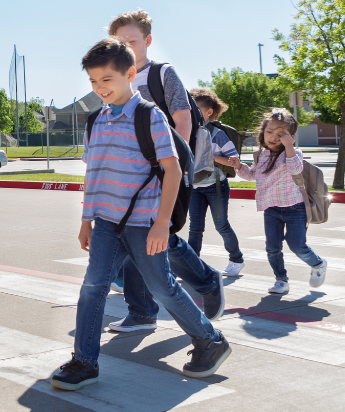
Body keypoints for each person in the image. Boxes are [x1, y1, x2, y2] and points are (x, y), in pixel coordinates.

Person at [50, 38, 230, 391]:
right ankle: (84, 361)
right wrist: (86, 220)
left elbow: (174, 170)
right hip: (105, 223)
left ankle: (210, 340)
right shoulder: (94, 121)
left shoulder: (148, 115)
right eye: (93, 81)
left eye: (107, 79)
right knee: (92, 287)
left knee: (161, 288)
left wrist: (162, 223)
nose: (100, 88)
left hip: (142, 223)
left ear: (130, 74)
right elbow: (94, 175)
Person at [105, 9, 226, 334]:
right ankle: (143, 310)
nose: (125, 47)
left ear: (147, 40)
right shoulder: (115, 78)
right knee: (136, 236)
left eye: (131, 40)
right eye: (119, 41)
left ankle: (203, 281)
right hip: (130, 172)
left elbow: (183, 118)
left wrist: (173, 166)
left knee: (153, 236)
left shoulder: (161, 74)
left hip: (164, 170)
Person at [236, 109, 328, 294]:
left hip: (295, 208)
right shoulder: (261, 155)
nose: (273, 137)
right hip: (271, 208)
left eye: (281, 134)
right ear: (263, 132)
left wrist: (289, 147)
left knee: (297, 246)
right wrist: (238, 166)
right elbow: (253, 175)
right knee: (272, 248)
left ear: (290, 136)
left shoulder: (294, 153)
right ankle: (281, 280)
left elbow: (295, 170)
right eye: (270, 132)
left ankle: (318, 263)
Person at [188, 88, 245, 276]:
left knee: (221, 225)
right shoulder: (187, 131)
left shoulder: (217, 134)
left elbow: (234, 161)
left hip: (216, 187)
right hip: (195, 187)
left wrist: (209, 155)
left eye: (195, 109)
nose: (191, 113)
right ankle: (191, 266)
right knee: (195, 228)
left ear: (209, 111)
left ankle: (236, 258)